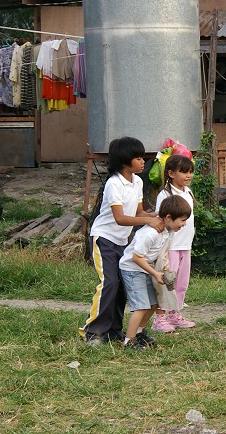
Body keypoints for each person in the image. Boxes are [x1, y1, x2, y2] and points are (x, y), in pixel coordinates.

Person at [79, 137, 163, 345]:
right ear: (125, 161)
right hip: (104, 239)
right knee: (109, 282)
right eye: (138, 157)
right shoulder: (114, 184)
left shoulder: (137, 181)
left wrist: (159, 215)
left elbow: (139, 212)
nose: (143, 161)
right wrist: (147, 220)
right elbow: (120, 218)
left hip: (122, 241)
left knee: (122, 286)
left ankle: (113, 330)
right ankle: (93, 331)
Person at [119, 195, 191, 349]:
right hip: (132, 269)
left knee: (153, 304)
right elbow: (136, 258)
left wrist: (164, 267)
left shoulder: (169, 231)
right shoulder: (150, 233)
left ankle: (139, 333)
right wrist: (155, 273)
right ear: (169, 217)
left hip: (146, 268)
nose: (184, 224)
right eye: (182, 220)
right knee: (141, 307)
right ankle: (128, 341)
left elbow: (163, 251)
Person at [151, 154, 197, 332]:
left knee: (181, 283)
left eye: (190, 172)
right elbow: (161, 221)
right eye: (184, 172)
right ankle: (160, 318)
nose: (188, 176)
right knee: (167, 282)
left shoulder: (188, 191)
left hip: (185, 245)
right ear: (171, 173)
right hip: (170, 247)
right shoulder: (165, 195)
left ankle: (174, 314)